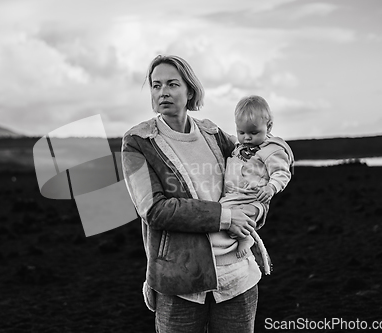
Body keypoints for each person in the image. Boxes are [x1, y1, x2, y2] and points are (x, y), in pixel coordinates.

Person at [121, 55, 268, 333]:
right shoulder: (138, 142)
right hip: (180, 284)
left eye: (172, 84)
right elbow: (154, 209)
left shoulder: (213, 134)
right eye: (156, 85)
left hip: (238, 278)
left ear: (189, 90)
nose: (162, 92)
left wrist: (255, 212)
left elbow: (254, 175)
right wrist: (225, 217)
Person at [220, 95, 294, 262]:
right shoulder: (240, 147)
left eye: (254, 132)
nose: (247, 138)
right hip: (235, 195)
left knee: (233, 218)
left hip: (254, 198)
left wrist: (271, 187)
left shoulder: (271, 150)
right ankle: (241, 239)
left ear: (269, 127)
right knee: (221, 213)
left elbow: (282, 172)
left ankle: (246, 239)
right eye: (241, 132)